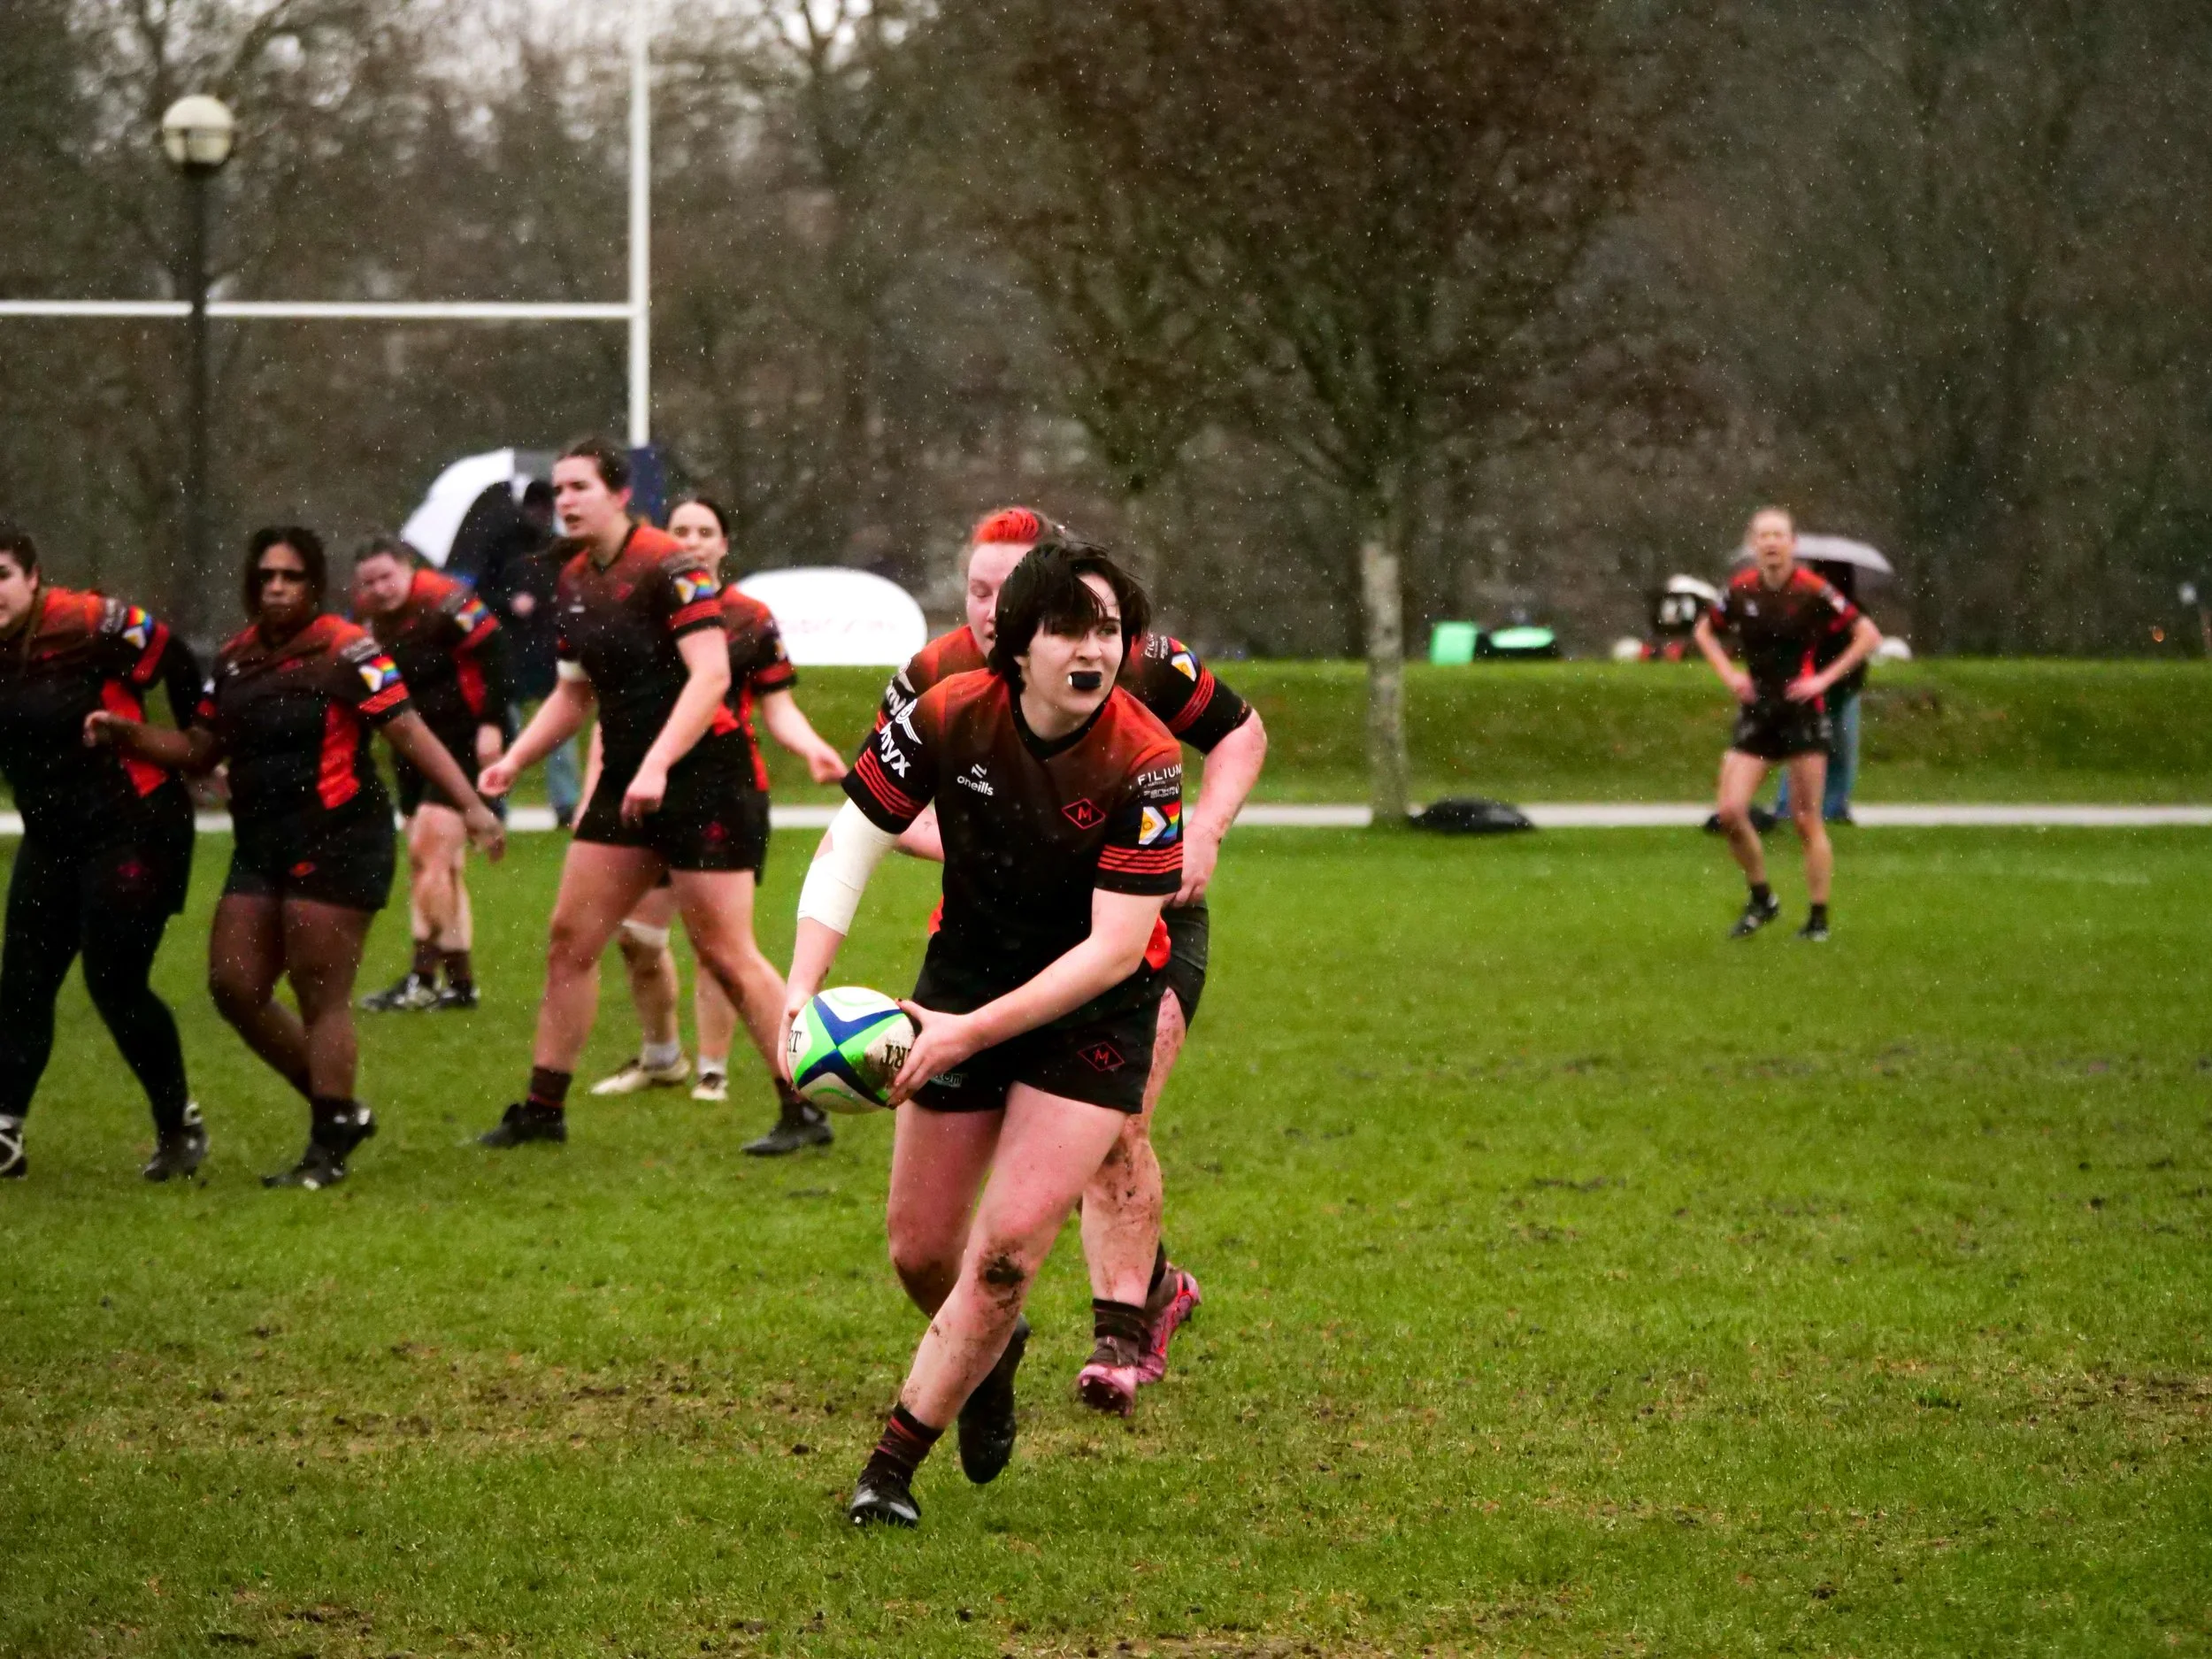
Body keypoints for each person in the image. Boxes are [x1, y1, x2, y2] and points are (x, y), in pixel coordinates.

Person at [783, 539, 1184, 1528]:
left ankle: (888, 1471)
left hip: (1093, 1012)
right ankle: (991, 1358)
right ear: (1016, 642)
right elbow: (852, 843)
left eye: (1109, 631)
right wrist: (800, 991)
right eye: (1067, 629)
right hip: (959, 980)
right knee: (923, 1253)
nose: (1091, 649)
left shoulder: (1144, 759)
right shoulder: (947, 715)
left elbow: (1109, 951)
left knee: (1003, 1252)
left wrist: (967, 1035)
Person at [878, 506, 1267, 1415]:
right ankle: (1108, 1300)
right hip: (991, 948)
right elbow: (885, 812)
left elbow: (1242, 734)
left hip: (1139, 935)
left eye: (1013, 590)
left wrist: (1202, 830)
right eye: (980, 590)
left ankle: (1122, 1338)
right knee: (944, 1223)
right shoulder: (933, 678)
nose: (992, 607)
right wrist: (1004, 848)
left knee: (1114, 1126)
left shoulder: (1127, 657)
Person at [89, 526, 505, 1187]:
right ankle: (338, 1107)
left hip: (339, 834)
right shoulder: (234, 659)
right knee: (234, 985)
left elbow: (407, 727)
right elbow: (200, 751)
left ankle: (327, 1146)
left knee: (321, 991)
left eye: (290, 577)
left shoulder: (349, 648)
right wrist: (127, 733)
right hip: (262, 839)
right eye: (266, 578)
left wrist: (473, 805)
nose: (277, 588)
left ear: (314, 586)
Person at [474, 440, 810, 1149]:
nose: (564, 500)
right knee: (572, 939)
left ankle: (802, 1104)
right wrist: (515, 758)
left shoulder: (672, 566)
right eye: (558, 488)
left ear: (620, 494)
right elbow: (574, 694)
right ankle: (543, 1109)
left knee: (726, 951)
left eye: (579, 487)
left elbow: (711, 675)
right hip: (631, 778)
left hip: (703, 780)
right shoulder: (570, 579)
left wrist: (659, 763)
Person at [587, 495, 848, 1156]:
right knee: (633, 935)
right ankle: (662, 1056)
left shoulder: (749, 619)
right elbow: (607, 710)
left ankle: (786, 1091)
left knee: (726, 951)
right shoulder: (638, 608)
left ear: (724, 545)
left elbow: (779, 708)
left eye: (706, 532)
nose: (693, 541)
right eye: (680, 530)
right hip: (645, 790)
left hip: (719, 791)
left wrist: (811, 746)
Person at [0, 524, 206, 1181]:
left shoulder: (91, 622)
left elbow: (178, 658)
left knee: (113, 982)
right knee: (23, 983)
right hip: (52, 834)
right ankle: (4, 1133)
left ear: (33, 576)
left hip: (133, 822)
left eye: (0, 575)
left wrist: (192, 748)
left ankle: (179, 1124)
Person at [1694, 506, 1881, 942]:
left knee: (1804, 820)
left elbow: (1867, 634)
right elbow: (1705, 630)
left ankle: (1817, 917)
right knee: (1730, 812)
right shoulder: (1739, 591)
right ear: (1753, 545)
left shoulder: (1813, 591)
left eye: (1779, 535)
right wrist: (1730, 676)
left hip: (1801, 715)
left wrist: (1824, 679)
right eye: (1763, 536)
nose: (1772, 543)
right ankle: (1762, 898)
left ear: (1792, 544)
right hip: (1758, 712)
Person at [351, 537, 512, 1012]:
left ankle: (422, 978)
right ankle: (461, 985)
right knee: (440, 865)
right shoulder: (369, 623)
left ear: (408, 568)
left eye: (387, 577)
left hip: (461, 741)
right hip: (413, 748)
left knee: (428, 854)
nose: (380, 589)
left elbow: (498, 652)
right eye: (369, 582)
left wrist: (491, 723)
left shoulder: (447, 601)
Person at [476, 479, 580, 826]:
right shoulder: (502, 546)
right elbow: (482, 594)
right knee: (508, 732)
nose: (542, 514)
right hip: (512, 653)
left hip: (549, 650)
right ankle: (497, 799)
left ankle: (565, 802)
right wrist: (509, 603)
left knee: (559, 732)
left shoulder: (558, 548)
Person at [1772, 556, 1866, 825]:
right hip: (1813, 688)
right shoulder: (1806, 609)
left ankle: (1834, 806)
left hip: (1843, 688)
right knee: (1803, 751)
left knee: (1839, 751)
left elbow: (1861, 648)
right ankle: (1787, 807)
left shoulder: (1851, 611)